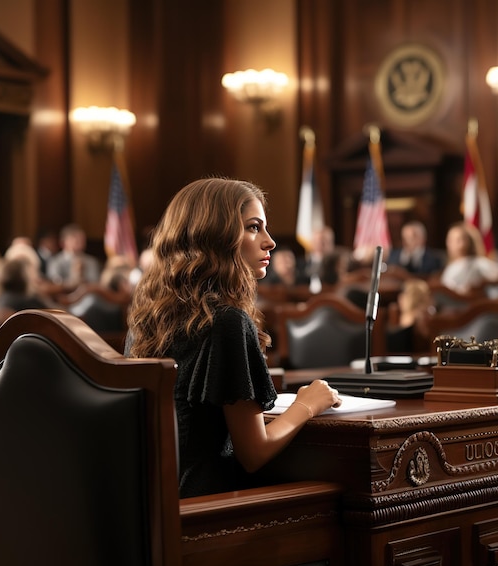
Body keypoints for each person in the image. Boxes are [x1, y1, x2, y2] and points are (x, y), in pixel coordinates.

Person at [126, 177, 341, 498]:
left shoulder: (146, 319)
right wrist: (307, 404)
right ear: (215, 236)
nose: (270, 242)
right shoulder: (226, 320)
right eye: (254, 227)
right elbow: (255, 453)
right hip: (210, 509)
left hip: (152, 507)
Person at [439, 221, 498, 294]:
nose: (449, 244)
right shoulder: (452, 267)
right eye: (449, 240)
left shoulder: (480, 263)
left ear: (469, 242)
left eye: (457, 240)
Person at [46, 223, 101, 288]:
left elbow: (95, 282)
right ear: (63, 242)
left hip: (87, 295)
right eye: (75, 238)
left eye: (82, 239)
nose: (80, 241)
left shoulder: (92, 261)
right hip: (62, 294)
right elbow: (54, 281)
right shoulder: (55, 261)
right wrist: (73, 281)